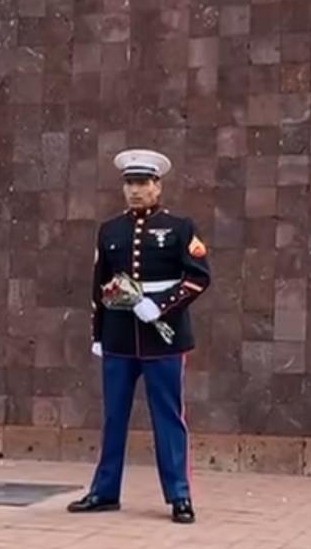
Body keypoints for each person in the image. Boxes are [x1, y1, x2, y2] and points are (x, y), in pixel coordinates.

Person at [68, 149, 211, 524]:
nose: (135, 191)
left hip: (164, 339)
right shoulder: (110, 230)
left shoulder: (180, 227)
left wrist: (161, 305)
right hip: (119, 336)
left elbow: (198, 277)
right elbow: (99, 286)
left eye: (142, 183)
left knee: (167, 416)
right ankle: (104, 491)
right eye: (129, 184)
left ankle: (179, 495)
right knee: (114, 416)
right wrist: (98, 333)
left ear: (157, 186)